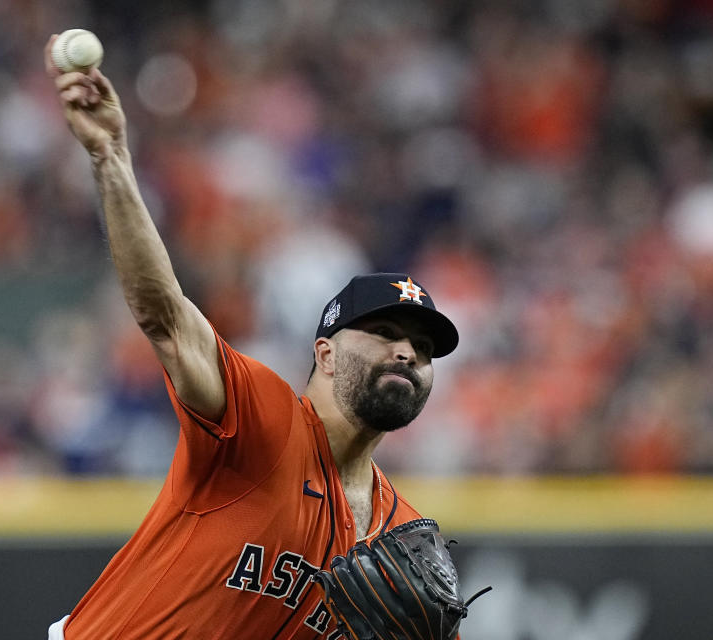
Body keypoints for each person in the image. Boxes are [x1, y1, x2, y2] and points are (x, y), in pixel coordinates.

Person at [44, 33, 461, 640]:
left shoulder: (402, 540)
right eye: (385, 333)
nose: (407, 352)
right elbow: (164, 315)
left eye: (423, 349)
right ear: (325, 351)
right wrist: (110, 156)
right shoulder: (263, 419)